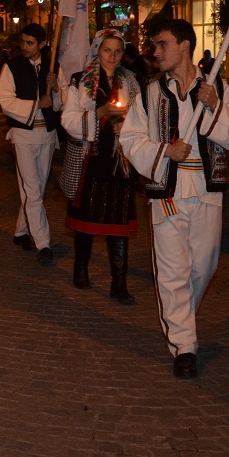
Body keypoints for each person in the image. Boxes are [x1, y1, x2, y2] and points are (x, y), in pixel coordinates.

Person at [119, 19, 229, 380]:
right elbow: (129, 140)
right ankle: (184, 345)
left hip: (207, 191)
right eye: (154, 46)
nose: (155, 52)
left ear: (185, 45)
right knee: (173, 272)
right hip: (168, 192)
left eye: (162, 44)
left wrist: (215, 107)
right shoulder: (149, 92)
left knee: (203, 267)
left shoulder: (217, 87)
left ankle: (182, 323)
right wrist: (165, 151)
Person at [60, 29, 142, 303]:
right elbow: (68, 120)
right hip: (91, 159)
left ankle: (119, 283)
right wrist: (99, 113)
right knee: (86, 220)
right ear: (98, 50)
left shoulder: (130, 80)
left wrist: (129, 120)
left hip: (119, 162)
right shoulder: (80, 81)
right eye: (107, 50)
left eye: (118, 51)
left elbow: (141, 117)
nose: (112, 56)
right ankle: (80, 268)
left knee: (118, 222)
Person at [0, 23, 61, 264]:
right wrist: (36, 105)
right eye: (23, 42)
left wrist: (55, 90)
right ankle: (43, 244)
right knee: (33, 189)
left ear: (42, 44)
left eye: (30, 43)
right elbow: (5, 101)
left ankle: (21, 231)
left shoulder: (53, 67)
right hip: (23, 135)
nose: (24, 47)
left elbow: (63, 102)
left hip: (47, 136)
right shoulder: (11, 67)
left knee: (36, 190)